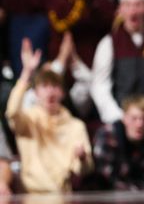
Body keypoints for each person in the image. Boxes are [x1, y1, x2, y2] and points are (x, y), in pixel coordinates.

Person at [6, 38, 93, 192]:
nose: (50, 92)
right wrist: (26, 74)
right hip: (32, 196)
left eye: (55, 87)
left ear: (63, 93)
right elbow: (12, 112)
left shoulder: (75, 126)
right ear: (36, 92)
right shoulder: (28, 120)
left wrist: (82, 158)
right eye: (45, 86)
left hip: (63, 195)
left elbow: (85, 169)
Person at [92, 94, 144, 190]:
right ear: (124, 118)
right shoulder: (108, 135)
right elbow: (106, 175)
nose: (139, 124)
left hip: (142, 195)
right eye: (134, 118)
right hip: (105, 195)